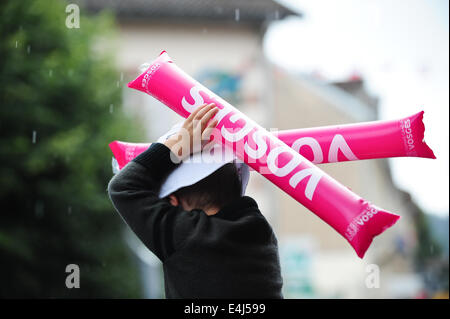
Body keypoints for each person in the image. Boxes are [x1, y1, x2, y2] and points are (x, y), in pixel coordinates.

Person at [107, 103, 283, 298]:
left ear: (173, 200)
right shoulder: (261, 234)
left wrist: (177, 146)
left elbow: (122, 187)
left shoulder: (186, 236)